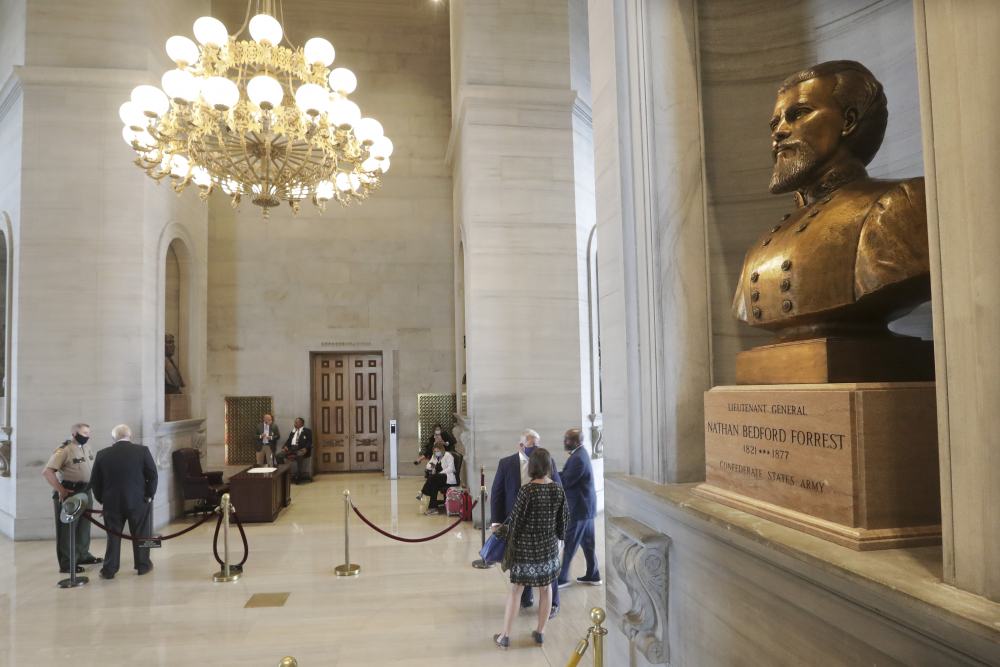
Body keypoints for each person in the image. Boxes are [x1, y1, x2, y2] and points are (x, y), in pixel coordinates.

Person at [732, 60, 929, 342]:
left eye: (799, 113)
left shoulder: (898, 203)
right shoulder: (762, 248)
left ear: (848, 121)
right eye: (775, 123)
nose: (779, 131)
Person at [493, 448, 569, 649]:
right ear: (549, 466)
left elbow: (516, 524)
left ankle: (505, 635)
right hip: (548, 549)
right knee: (546, 590)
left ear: (532, 467)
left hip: (525, 549)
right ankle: (540, 632)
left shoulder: (527, 491)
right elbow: (563, 523)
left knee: (515, 591)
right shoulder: (558, 490)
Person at [490, 429, 563, 618]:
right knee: (521, 563)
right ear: (522, 445)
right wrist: (496, 523)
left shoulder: (548, 462)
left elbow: (559, 490)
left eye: (537, 444)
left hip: (544, 526)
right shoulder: (506, 463)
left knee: (549, 566)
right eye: (532, 445)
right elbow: (497, 494)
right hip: (518, 525)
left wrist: (559, 527)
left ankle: (553, 603)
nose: (536, 448)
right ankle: (525, 597)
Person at [90, 424, 158, 579]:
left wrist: (101, 499)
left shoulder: (102, 454)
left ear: (113, 438)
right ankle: (143, 565)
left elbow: (95, 481)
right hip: (138, 500)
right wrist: (149, 495)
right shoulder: (142, 451)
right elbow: (152, 475)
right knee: (140, 533)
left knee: (113, 535)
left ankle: (110, 569)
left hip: (111, 502)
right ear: (130, 436)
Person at [41, 423, 103, 573]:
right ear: (75, 433)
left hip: (86, 490)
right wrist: (60, 489)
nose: (87, 436)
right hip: (71, 492)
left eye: (88, 432)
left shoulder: (87, 448)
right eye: (84, 433)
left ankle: (82, 555)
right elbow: (47, 472)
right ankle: (67, 563)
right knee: (68, 530)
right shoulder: (64, 450)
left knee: (83, 527)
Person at [557, 429, 601, 588]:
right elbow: (567, 475)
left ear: (577, 441)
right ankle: (593, 575)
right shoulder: (579, 454)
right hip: (585, 508)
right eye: (565, 437)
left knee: (570, 542)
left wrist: (549, 477)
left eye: (568, 439)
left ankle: (562, 578)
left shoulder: (578, 458)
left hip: (579, 509)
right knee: (588, 544)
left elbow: (566, 481)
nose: (564, 441)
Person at [417, 442, 456, 515]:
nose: (436, 453)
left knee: (433, 477)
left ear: (442, 450)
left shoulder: (448, 456)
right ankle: (433, 508)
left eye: (438, 451)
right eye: (435, 451)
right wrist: (431, 466)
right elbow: (428, 465)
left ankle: (423, 492)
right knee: (433, 486)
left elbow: (451, 469)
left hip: (447, 477)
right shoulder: (435, 457)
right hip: (437, 479)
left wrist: (440, 473)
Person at [275, 417, 312, 482]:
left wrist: (305, 448)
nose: (295, 424)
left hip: (300, 449)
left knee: (299, 455)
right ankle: (284, 472)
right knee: (278, 455)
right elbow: (288, 441)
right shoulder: (293, 431)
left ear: (301, 424)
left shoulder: (307, 431)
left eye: (296, 422)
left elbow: (309, 441)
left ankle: (299, 473)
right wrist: (285, 446)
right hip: (291, 448)